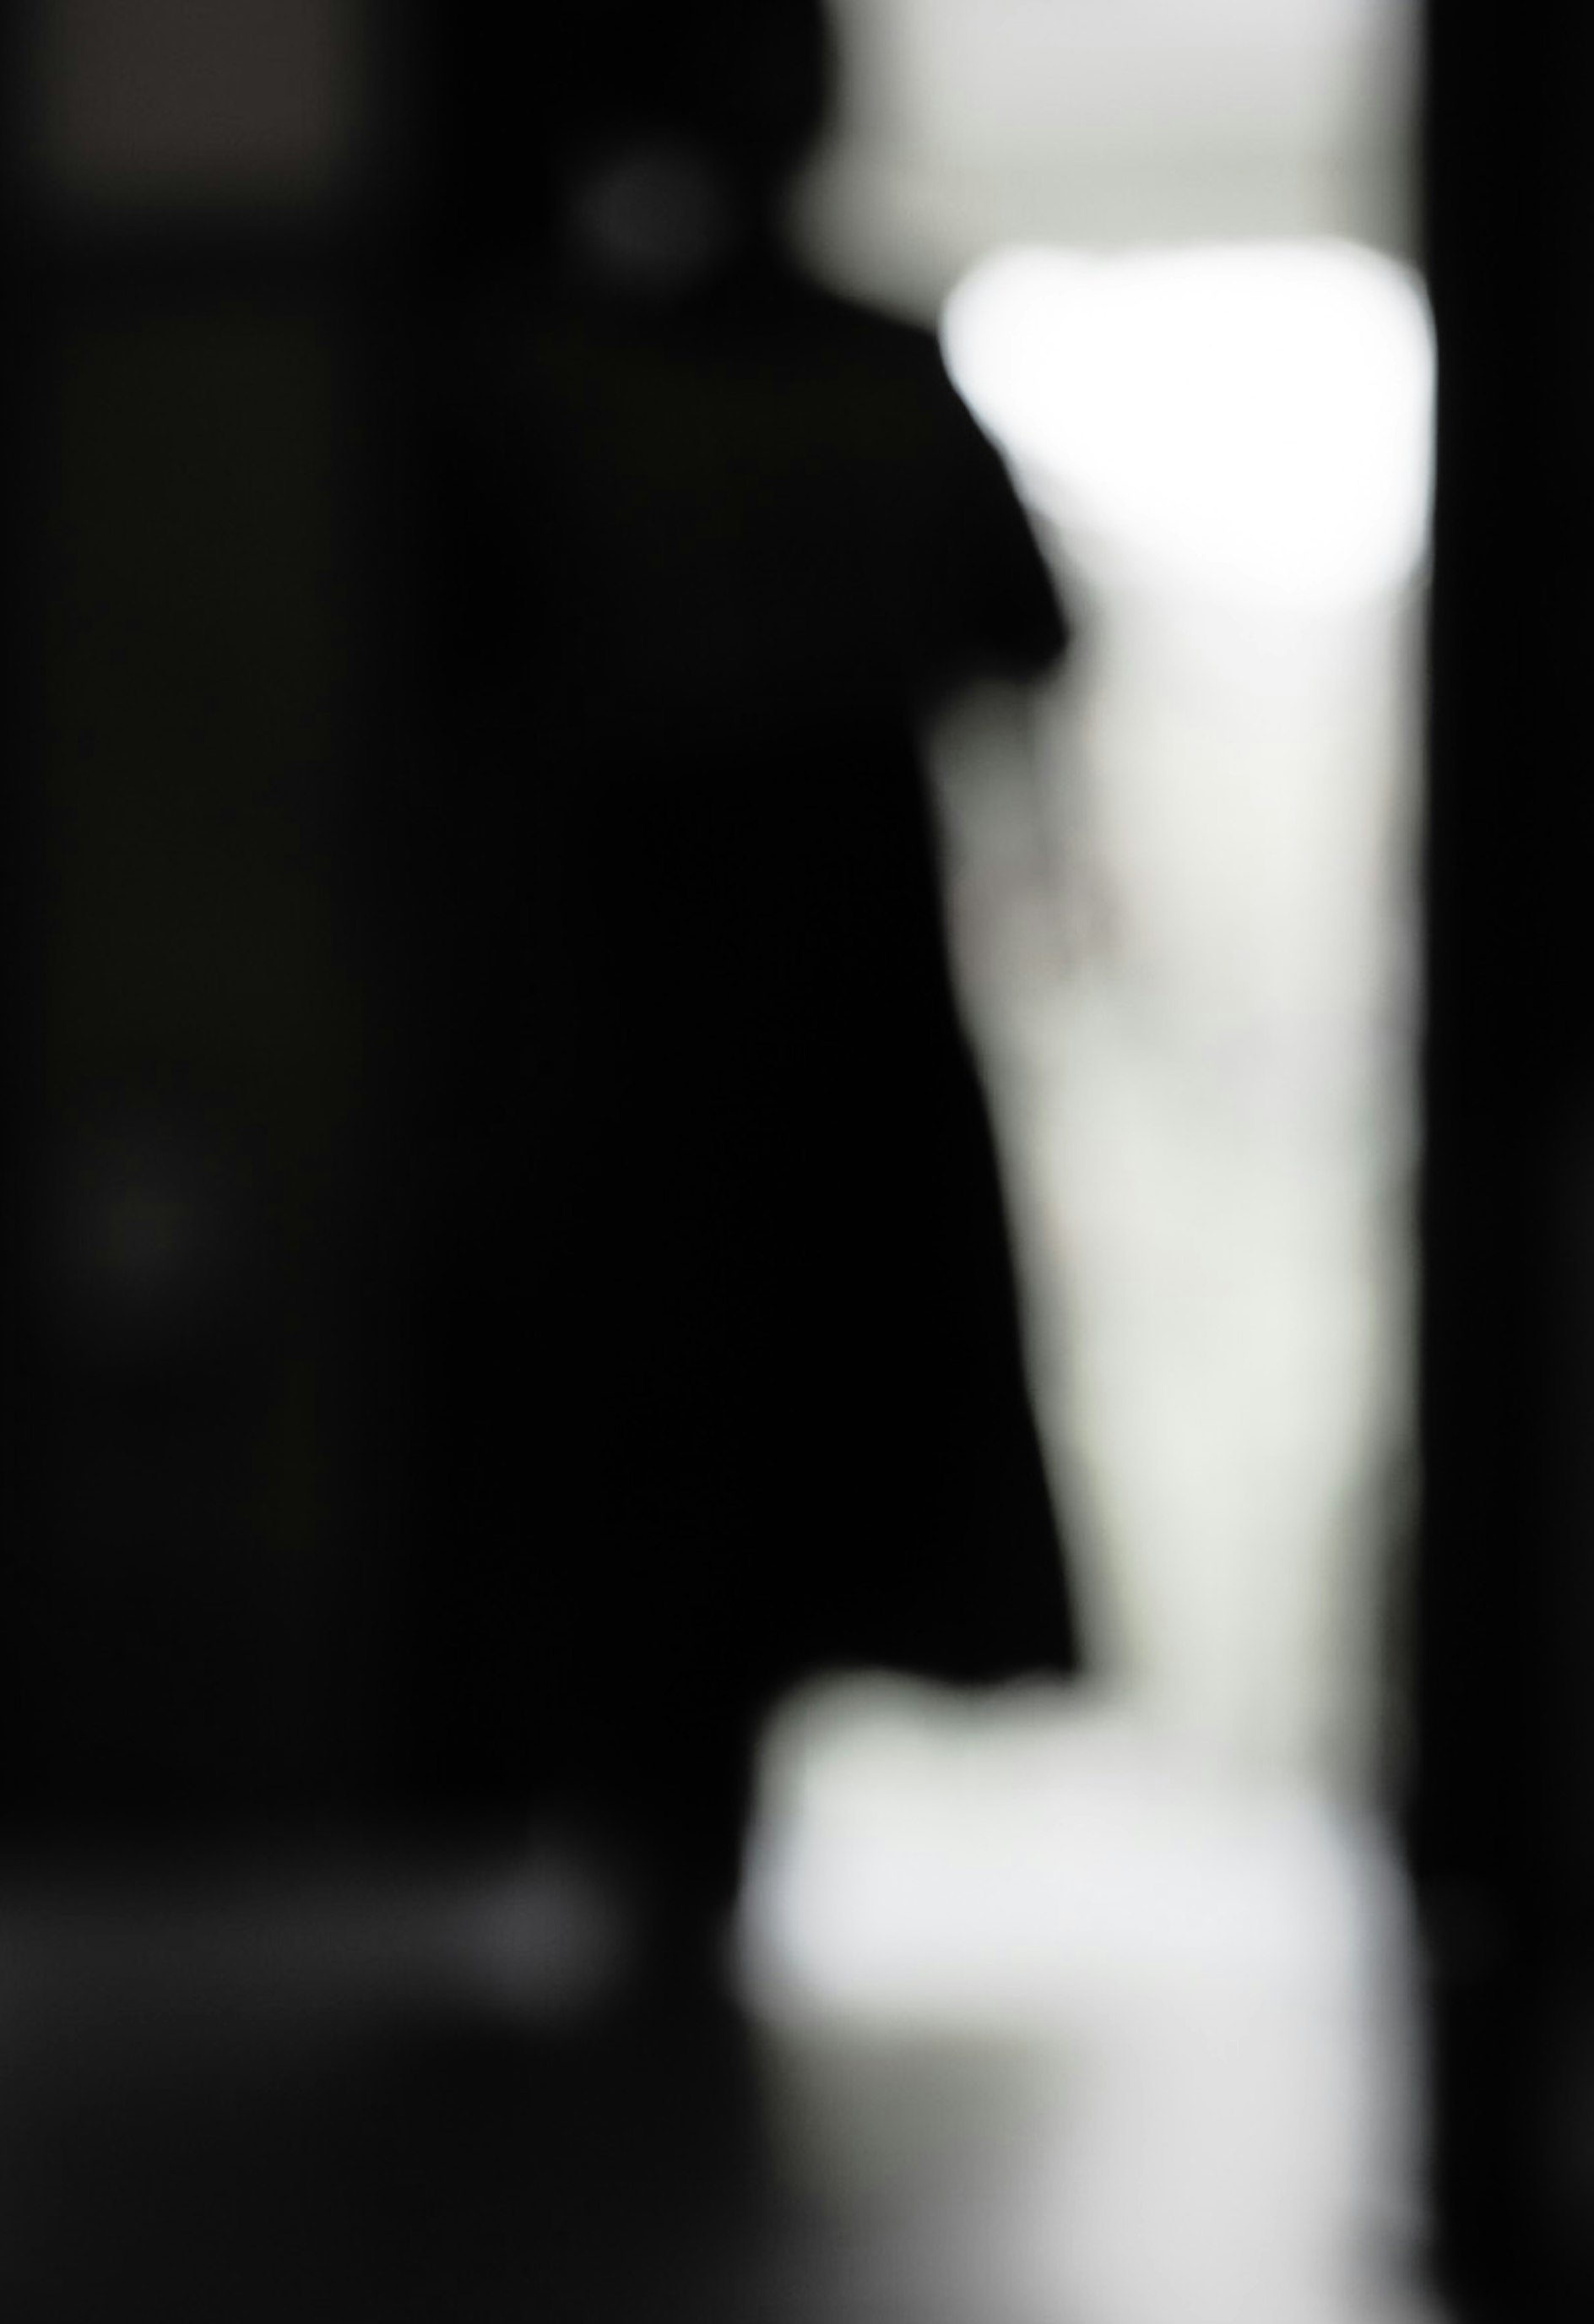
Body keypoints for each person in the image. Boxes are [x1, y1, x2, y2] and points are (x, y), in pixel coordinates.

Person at [403, 0, 1082, 1981]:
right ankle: (668, 1808)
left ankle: (673, 1813)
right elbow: (1020, 634)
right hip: (707, 940)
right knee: (695, 1388)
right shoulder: (661, 373)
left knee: (716, 1389)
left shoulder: (577, 375)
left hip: (711, 940)